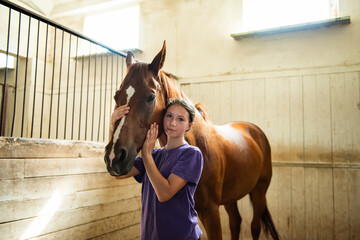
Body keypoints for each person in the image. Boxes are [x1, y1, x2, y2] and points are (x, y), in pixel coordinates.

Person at [110, 98, 204, 240]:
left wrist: (146, 155)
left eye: (180, 119)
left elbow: (164, 193)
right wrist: (113, 128)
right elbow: (118, 172)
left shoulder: (191, 154)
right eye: (169, 116)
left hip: (181, 236)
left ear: (189, 126)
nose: (172, 123)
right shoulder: (154, 155)